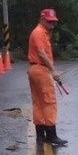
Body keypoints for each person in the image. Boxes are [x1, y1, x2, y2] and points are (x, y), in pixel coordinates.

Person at [28, 8, 68, 146]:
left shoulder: (42, 32)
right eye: (49, 22)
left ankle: (40, 135)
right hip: (40, 70)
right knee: (49, 102)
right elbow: (42, 53)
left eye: (53, 22)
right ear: (42, 19)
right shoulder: (39, 32)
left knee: (39, 102)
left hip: (35, 69)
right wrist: (53, 71)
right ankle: (52, 135)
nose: (52, 25)